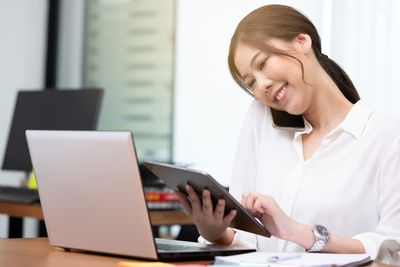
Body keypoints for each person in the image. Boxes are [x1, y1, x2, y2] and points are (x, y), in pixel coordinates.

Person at [175, 4, 400, 264]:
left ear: (302, 41)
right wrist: (216, 232)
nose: (263, 86)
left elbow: (392, 248)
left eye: (262, 63)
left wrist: (300, 233)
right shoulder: (262, 119)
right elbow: (248, 238)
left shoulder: (387, 137)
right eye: (251, 82)